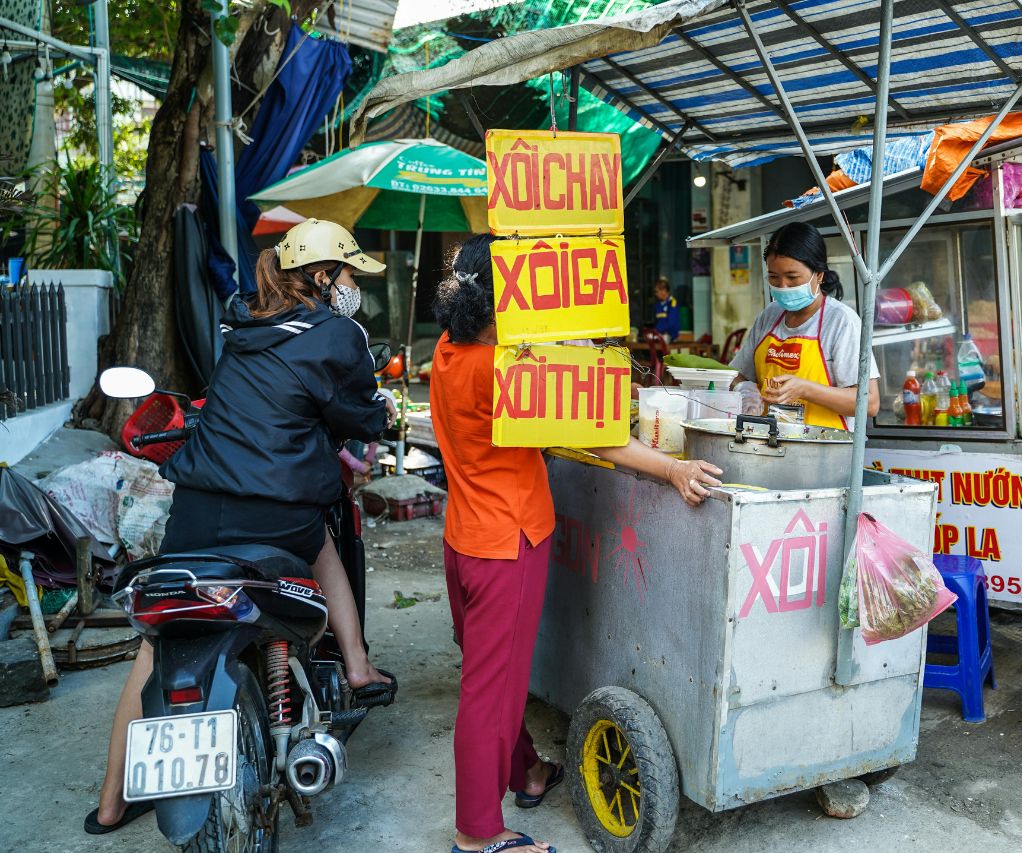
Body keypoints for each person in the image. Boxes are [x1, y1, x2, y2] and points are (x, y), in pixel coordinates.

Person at [85, 219, 397, 834]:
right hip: (277, 513)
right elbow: (358, 414)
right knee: (325, 551)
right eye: (349, 273)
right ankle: (358, 667)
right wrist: (374, 418)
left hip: (199, 509)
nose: (354, 284)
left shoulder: (243, 329)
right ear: (321, 275)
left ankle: (110, 805)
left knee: (157, 646)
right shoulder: (337, 334)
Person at [430, 235, 721, 853]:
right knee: (489, 697)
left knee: (492, 682)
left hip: (464, 541)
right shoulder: (499, 370)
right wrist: (671, 469)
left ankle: (527, 773)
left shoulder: (451, 351)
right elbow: (597, 435)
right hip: (506, 544)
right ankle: (478, 834)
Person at [729, 222, 880, 426]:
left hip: (825, 450)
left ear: (819, 275)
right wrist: (745, 391)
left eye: (792, 277)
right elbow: (736, 375)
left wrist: (805, 389)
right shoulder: (769, 316)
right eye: (774, 277)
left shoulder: (841, 321)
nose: (782, 286)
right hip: (768, 446)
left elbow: (870, 403)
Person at [652, 276, 681, 342]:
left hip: (670, 338)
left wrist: (657, 330)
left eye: (657, 291)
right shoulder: (658, 305)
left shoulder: (672, 303)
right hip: (658, 336)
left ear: (664, 291)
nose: (656, 294)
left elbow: (671, 323)